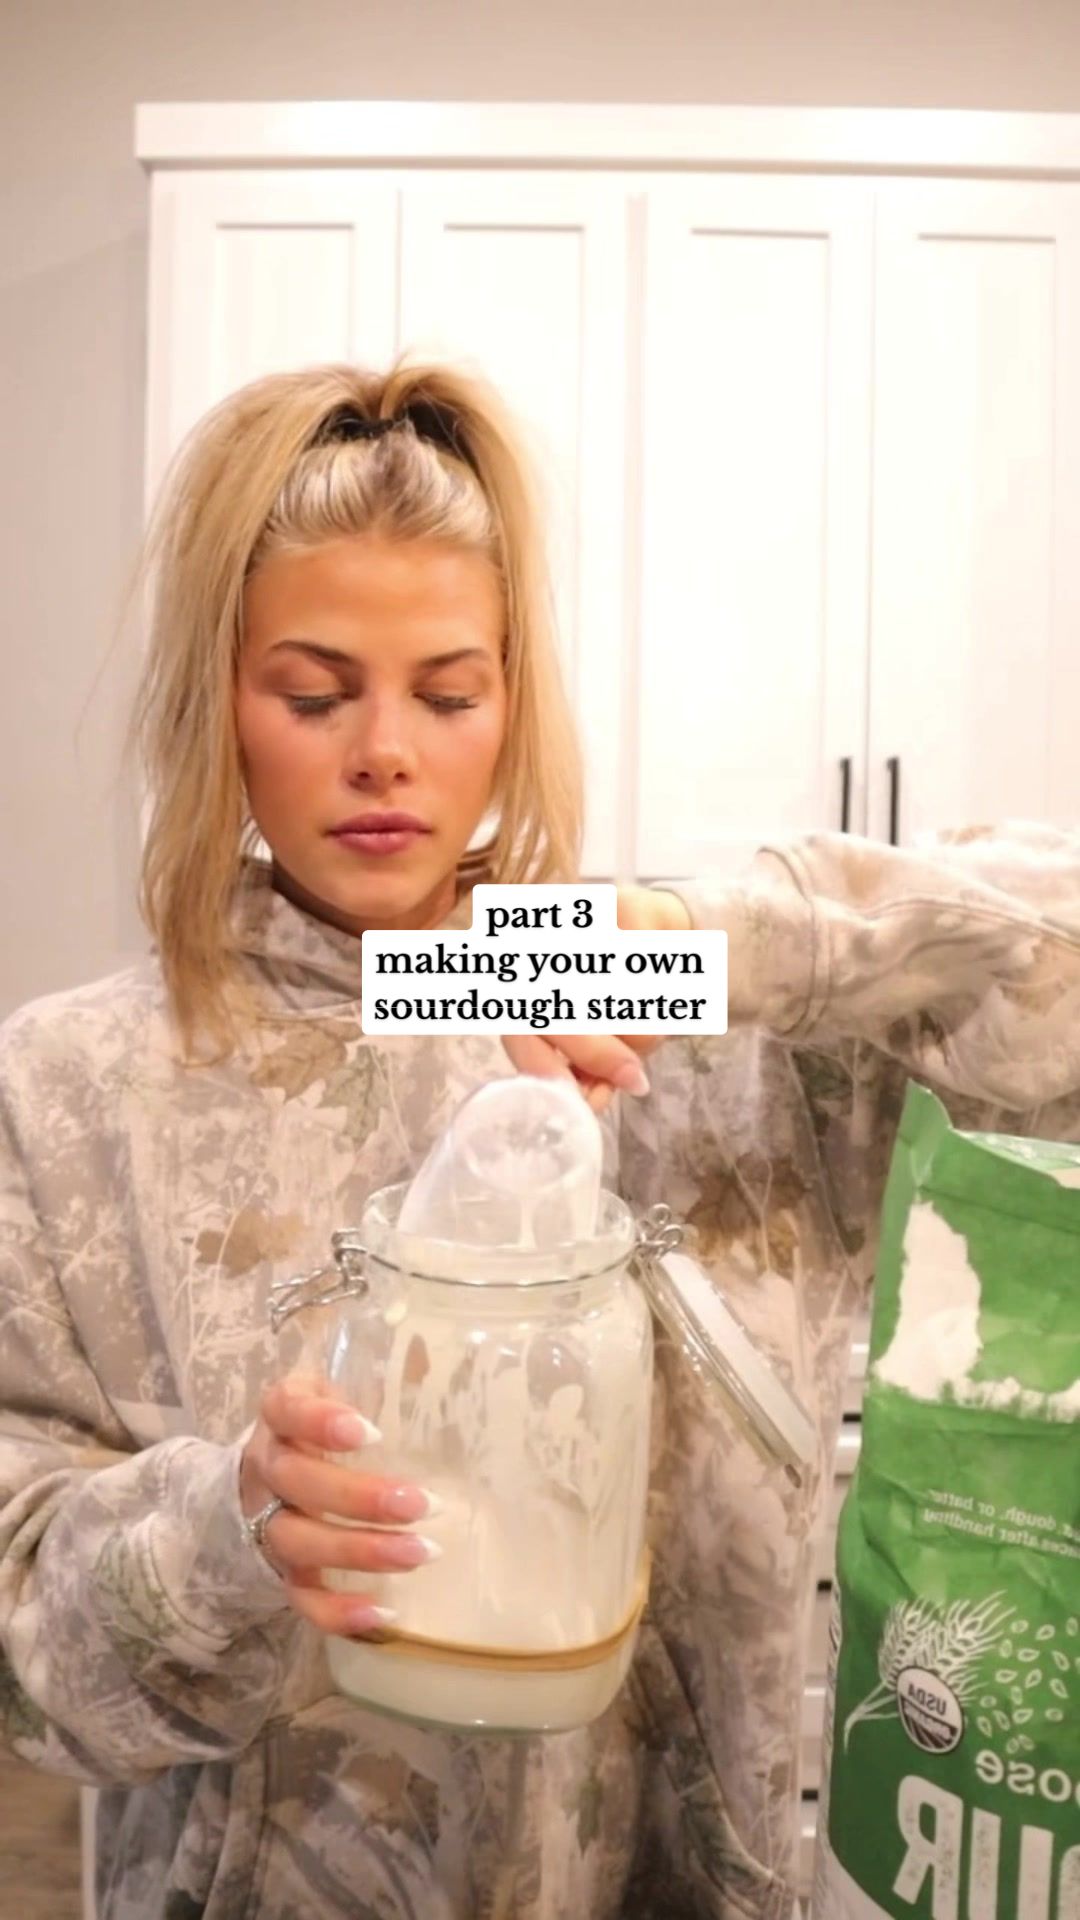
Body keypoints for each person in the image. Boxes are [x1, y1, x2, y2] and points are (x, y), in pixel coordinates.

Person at [1, 358, 1079, 1920]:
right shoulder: (77, 1085)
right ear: (216, 703)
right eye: (313, 694)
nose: (385, 751)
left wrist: (722, 944)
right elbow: (24, 1658)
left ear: (513, 705)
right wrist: (229, 1532)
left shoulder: (692, 1027)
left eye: (449, 695)